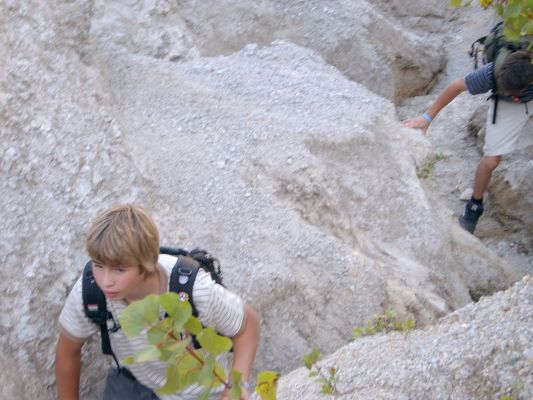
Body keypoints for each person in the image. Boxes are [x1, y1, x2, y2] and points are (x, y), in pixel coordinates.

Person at [55, 204, 260, 400]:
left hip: (196, 390)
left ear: (148, 262)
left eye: (119, 270)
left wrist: (237, 384)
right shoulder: (90, 291)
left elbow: (248, 324)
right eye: (98, 265)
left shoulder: (193, 290)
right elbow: (68, 351)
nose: (106, 281)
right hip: (134, 381)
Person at [402, 50, 533, 233]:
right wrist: (427, 117)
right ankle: (474, 206)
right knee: (491, 160)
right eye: (507, 90)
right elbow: (457, 86)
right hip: (507, 103)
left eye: (513, 93)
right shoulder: (491, 74)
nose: (512, 95)